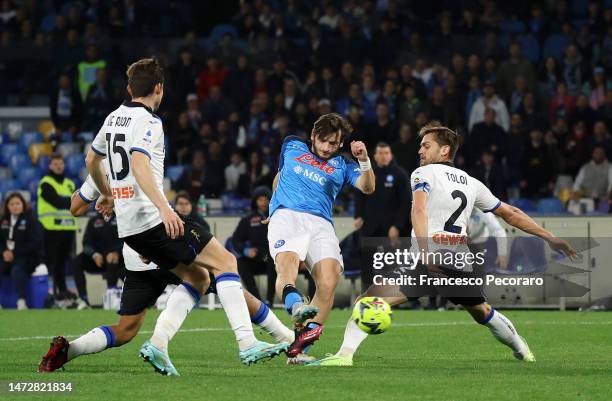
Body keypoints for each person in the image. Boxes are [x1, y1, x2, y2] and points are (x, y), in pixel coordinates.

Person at [310, 122, 576, 366]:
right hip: (460, 259)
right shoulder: (472, 183)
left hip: (431, 257)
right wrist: (549, 237)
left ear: (444, 149)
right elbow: (511, 213)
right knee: (481, 311)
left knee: (367, 300)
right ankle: (522, 349)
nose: (420, 150)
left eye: (426, 145)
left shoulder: (422, 174)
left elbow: (419, 211)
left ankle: (344, 356)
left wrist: (425, 252)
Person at [85, 58, 288, 370]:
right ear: (158, 89)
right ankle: (247, 343)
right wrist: (165, 209)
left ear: (129, 88)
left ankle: (158, 344)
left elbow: (91, 159)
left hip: (129, 228)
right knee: (227, 262)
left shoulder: (113, 118)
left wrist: (107, 192)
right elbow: (138, 163)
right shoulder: (150, 122)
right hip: (152, 218)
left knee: (198, 276)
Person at [39, 175, 293, 375]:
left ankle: (69, 351)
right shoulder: (141, 152)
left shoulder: (101, 170)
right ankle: (286, 339)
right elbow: (149, 194)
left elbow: (74, 207)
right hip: (159, 238)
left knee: (126, 330)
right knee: (224, 277)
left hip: (134, 251)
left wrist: (105, 190)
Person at [268, 112, 375, 363]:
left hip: (321, 224)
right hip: (287, 216)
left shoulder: (343, 165)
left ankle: (299, 349)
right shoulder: (292, 144)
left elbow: (368, 187)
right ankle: (295, 306)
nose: (326, 148)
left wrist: (365, 160)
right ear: (313, 136)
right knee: (287, 266)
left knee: (329, 280)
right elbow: (280, 176)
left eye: (333, 143)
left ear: (340, 144)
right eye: (323, 141)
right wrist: (274, 207)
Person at [354, 142, 410, 291]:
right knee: (367, 262)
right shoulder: (368, 173)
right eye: (380, 153)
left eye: (386, 153)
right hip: (370, 225)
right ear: (375, 156)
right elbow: (359, 195)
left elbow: (405, 203)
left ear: (391, 155)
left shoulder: (399, 174)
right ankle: (367, 294)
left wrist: (397, 226)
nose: (383, 156)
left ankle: (395, 295)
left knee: (393, 264)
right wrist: (358, 215)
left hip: (391, 227)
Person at [37, 153, 77, 303]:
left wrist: (73, 201)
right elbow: (57, 202)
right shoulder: (45, 183)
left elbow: (74, 202)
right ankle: (51, 293)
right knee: (51, 262)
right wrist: (72, 201)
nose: (58, 166)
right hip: (50, 229)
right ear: (50, 166)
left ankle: (62, 291)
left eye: (60, 163)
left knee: (62, 263)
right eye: (55, 164)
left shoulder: (69, 183)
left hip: (67, 229)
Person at [72, 211, 125, 309]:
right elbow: (86, 243)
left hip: (119, 259)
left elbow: (128, 240)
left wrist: (117, 252)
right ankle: (83, 299)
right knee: (77, 261)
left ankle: (112, 297)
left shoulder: (122, 218)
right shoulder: (94, 221)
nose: (103, 206)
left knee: (117, 263)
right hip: (98, 261)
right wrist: (94, 254)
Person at [232, 187, 275, 306]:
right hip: (255, 256)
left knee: (273, 262)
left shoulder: (277, 216)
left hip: (273, 257)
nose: (263, 203)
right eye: (260, 200)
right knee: (241, 262)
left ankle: (269, 301)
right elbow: (236, 240)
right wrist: (245, 250)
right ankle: (257, 302)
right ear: (255, 201)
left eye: (266, 200)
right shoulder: (248, 219)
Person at [0, 192, 43, 310]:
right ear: (7, 206)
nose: (15, 206)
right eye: (12, 204)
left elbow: (35, 243)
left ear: (23, 205)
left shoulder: (31, 219)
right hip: (8, 256)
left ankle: (21, 301)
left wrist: (14, 253)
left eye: (17, 203)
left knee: (17, 269)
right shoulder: (3, 220)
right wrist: (4, 252)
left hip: (28, 257)